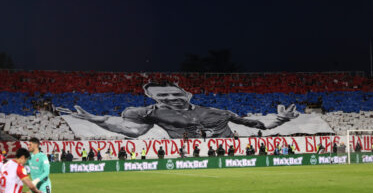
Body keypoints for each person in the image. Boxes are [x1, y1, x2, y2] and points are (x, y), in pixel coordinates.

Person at [60, 82, 299, 139]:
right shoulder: (150, 113)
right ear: (152, 98)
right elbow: (132, 131)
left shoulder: (218, 111)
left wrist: (282, 119)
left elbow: (263, 126)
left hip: (230, 157)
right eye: (162, 95)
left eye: (176, 93)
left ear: (187, 95)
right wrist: (99, 120)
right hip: (191, 156)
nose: (171, 98)